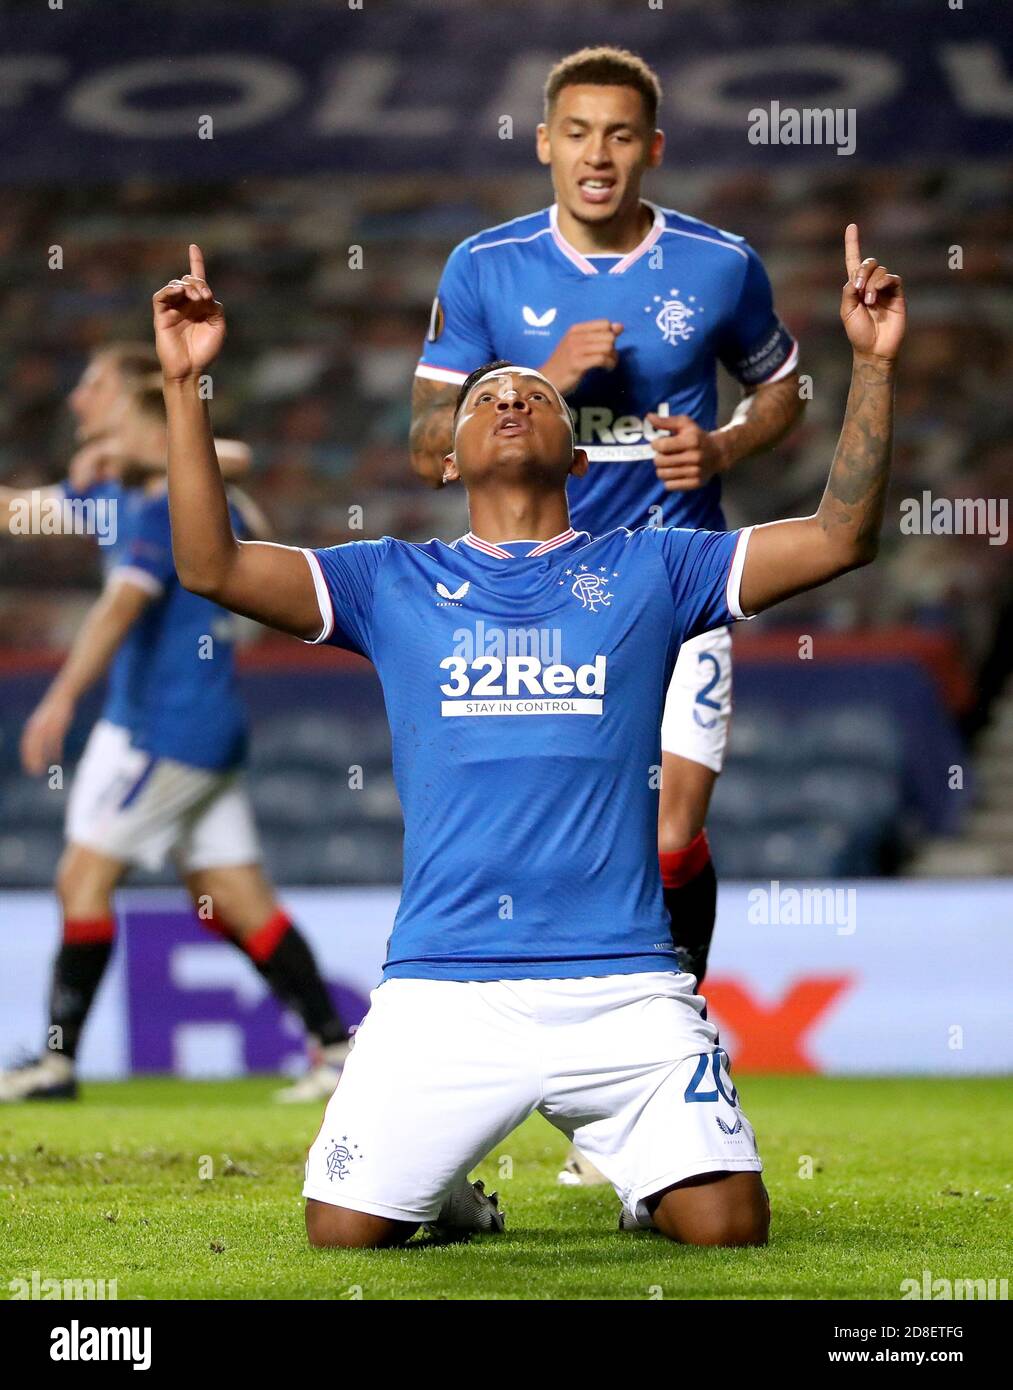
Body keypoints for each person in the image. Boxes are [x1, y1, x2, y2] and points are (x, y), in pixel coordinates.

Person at [153, 232, 903, 1247]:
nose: (507, 399)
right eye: (481, 400)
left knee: (727, 1225)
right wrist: (184, 386)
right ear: (448, 456)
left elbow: (837, 537)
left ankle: (645, 1172)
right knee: (340, 1228)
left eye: (534, 395)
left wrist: (871, 363)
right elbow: (208, 563)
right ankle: (448, 1192)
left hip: (624, 981)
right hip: (444, 983)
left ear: (580, 452)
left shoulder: (653, 569)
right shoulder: (387, 580)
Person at [409, 52, 805, 1130]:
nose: (597, 155)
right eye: (576, 132)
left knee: (669, 833)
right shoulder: (484, 268)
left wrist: (721, 444)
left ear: (652, 149)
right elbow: (422, 448)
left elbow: (785, 394)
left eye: (620, 135)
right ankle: (486, 1067)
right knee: (563, 839)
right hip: (536, 600)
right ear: (543, 142)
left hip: (676, 582)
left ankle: (677, 1057)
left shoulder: (718, 265)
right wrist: (543, 375)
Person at [0, 369, 350, 1104]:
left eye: (93, 387)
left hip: (169, 731)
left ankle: (57, 1063)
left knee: (82, 879)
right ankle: (335, 1048)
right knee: (232, 896)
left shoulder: (168, 505)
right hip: (193, 731)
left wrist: (58, 698)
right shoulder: (112, 496)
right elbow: (20, 513)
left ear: (137, 410)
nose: (75, 399)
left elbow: (120, 609)